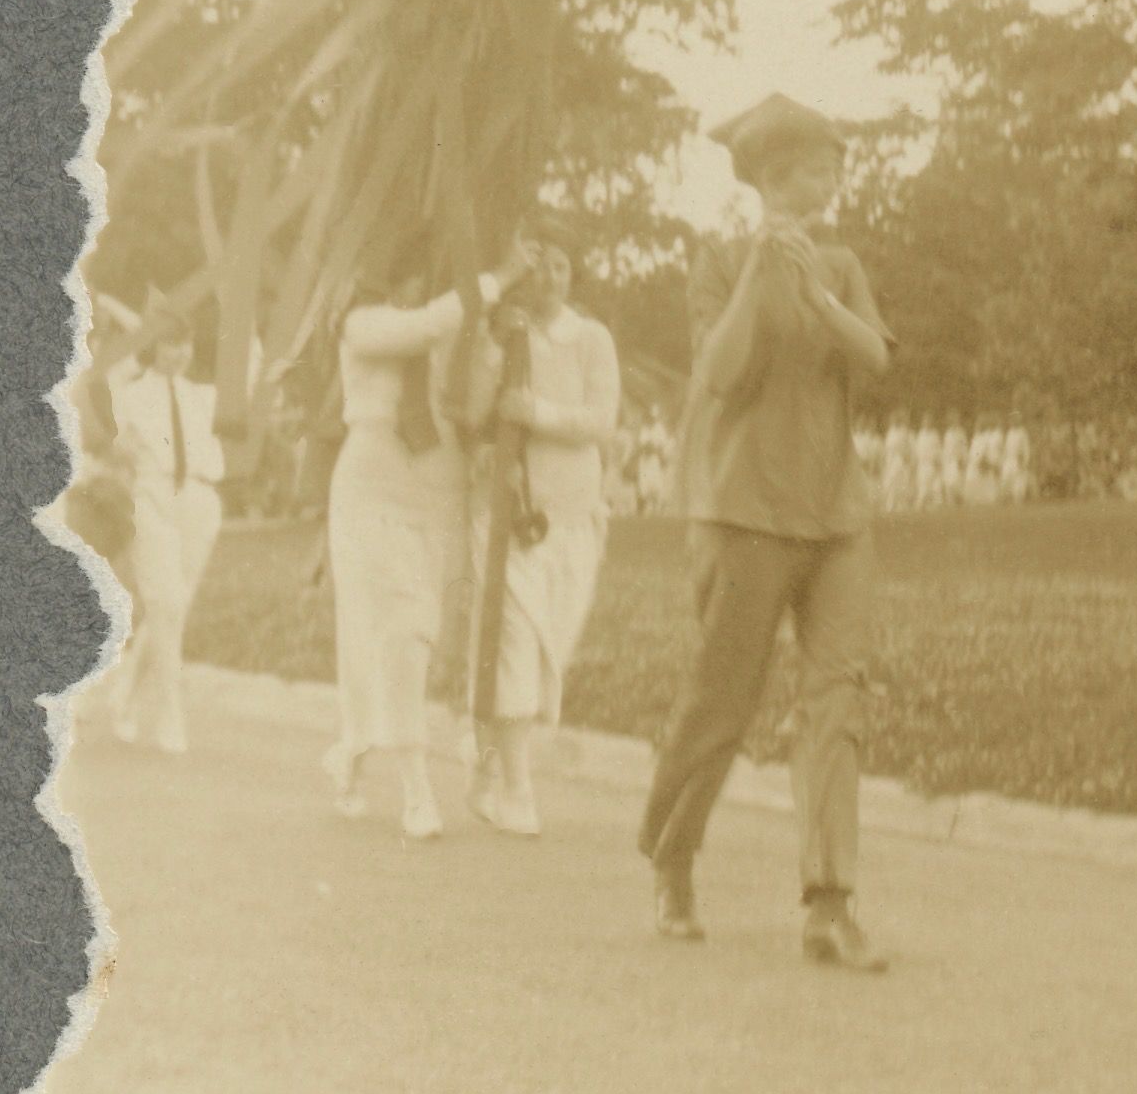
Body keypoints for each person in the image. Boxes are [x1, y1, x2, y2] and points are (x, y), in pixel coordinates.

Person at [639, 94, 891, 971]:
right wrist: (758, 269)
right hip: (744, 508)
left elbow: (875, 356)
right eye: (817, 170)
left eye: (834, 170)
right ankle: (673, 860)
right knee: (724, 697)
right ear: (773, 179)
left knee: (838, 696)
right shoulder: (718, 262)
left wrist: (817, 293)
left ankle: (830, 903)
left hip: (835, 510)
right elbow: (720, 371)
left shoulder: (842, 264)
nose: (830, 184)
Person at [326, 253, 515, 839]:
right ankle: (416, 788)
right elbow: (427, 324)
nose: (416, 285)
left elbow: (473, 409)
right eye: (409, 275)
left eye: (424, 278)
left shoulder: (445, 328)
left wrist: (492, 347)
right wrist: (496, 281)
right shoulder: (363, 324)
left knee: (418, 634)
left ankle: (352, 754)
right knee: (402, 629)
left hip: (437, 492)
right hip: (373, 487)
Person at [462, 228, 620, 840]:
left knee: (551, 645)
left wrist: (540, 414)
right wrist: (494, 345)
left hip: (573, 520)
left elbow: (602, 421)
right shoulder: (505, 333)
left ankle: (485, 765)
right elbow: (475, 410)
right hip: (509, 514)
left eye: (560, 266)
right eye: (537, 267)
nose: (549, 278)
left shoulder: (591, 339)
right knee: (515, 642)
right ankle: (517, 788)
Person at [104, 295, 224, 755]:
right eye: (169, 344)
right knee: (166, 603)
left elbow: (250, 366)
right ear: (152, 346)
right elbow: (114, 370)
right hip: (151, 499)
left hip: (198, 503)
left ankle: (125, 694)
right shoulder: (131, 392)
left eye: (185, 343)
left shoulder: (201, 395)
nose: (179, 353)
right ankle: (172, 713)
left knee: (171, 612)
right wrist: (136, 322)